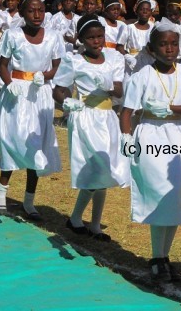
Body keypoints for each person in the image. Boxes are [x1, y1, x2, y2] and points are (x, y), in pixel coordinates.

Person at [119, 21, 181, 281]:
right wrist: (126, 138)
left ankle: (164, 256)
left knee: (173, 197)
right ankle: (157, 256)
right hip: (150, 134)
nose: (169, 49)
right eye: (163, 44)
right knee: (158, 195)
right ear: (151, 49)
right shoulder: (142, 75)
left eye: (173, 43)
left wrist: (171, 108)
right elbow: (126, 112)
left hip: (177, 135)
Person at [53, 14, 129, 241]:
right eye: (91, 38)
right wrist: (66, 101)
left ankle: (93, 224)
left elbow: (118, 91)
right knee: (96, 167)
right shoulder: (74, 60)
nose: (97, 41)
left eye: (100, 37)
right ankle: (77, 218)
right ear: (82, 40)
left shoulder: (114, 57)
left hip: (107, 117)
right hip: (85, 118)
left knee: (105, 169)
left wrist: (107, 84)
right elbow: (60, 88)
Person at [0, 0, 63, 217]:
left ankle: (29, 199)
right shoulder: (12, 35)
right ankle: (1, 191)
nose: (36, 15)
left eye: (41, 10)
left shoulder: (53, 36)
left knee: (36, 143)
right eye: (31, 10)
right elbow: (3, 65)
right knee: (12, 139)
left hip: (40, 93)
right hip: (17, 91)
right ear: (22, 13)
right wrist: (8, 82)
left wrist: (46, 75)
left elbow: (57, 64)